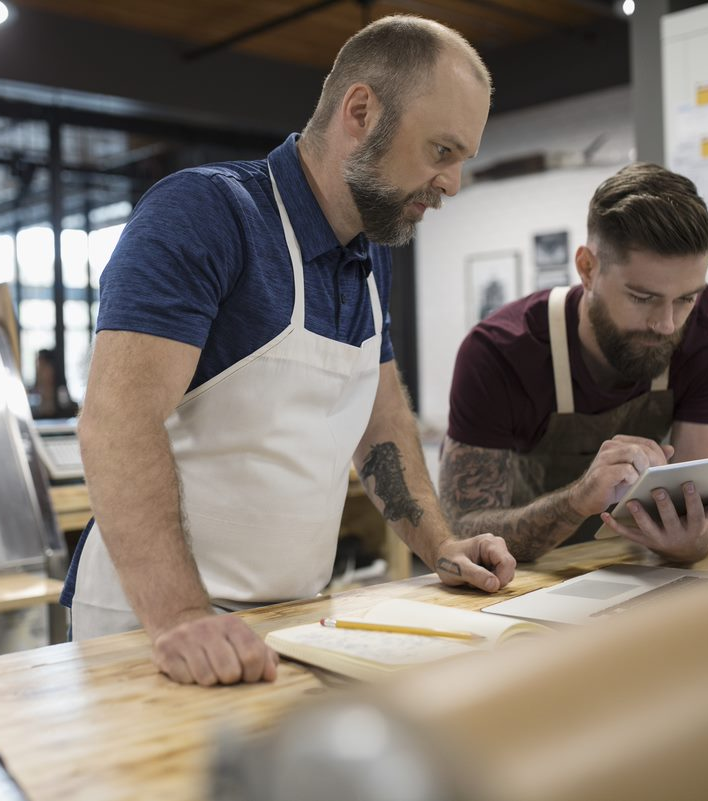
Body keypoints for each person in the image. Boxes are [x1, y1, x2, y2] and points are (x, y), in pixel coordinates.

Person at [61, 15, 516, 686]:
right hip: (154, 626)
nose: (451, 182)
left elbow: (382, 424)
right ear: (361, 112)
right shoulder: (205, 215)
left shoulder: (369, 255)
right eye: (441, 151)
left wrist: (442, 545)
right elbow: (117, 422)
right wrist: (181, 615)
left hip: (292, 619)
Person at [439, 163, 708, 563]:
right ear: (588, 269)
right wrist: (577, 500)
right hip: (521, 581)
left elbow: (701, 509)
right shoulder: (499, 353)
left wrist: (698, 537)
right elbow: (462, 533)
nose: (666, 324)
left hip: (636, 569)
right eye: (642, 298)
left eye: (686, 299)